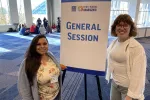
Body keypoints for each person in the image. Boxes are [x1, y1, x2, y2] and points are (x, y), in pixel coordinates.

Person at [106, 14, 147, 100]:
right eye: (119, 25)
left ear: (130, 28)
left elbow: (139, 74)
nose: (122, 28)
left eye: (125, 25)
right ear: (115, 28)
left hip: (128, 89)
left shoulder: (137, 48)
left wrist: (130, 95)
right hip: (115, 84)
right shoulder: (114, 42)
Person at [18, 34, 64, 100]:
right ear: (34, 46)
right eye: (38, 44)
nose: (42, 46)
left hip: (56, 95)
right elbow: (23, 87)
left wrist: (58, 67)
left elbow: (50, 69)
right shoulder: (27, 62)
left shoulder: (50, 55)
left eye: (45, 43)